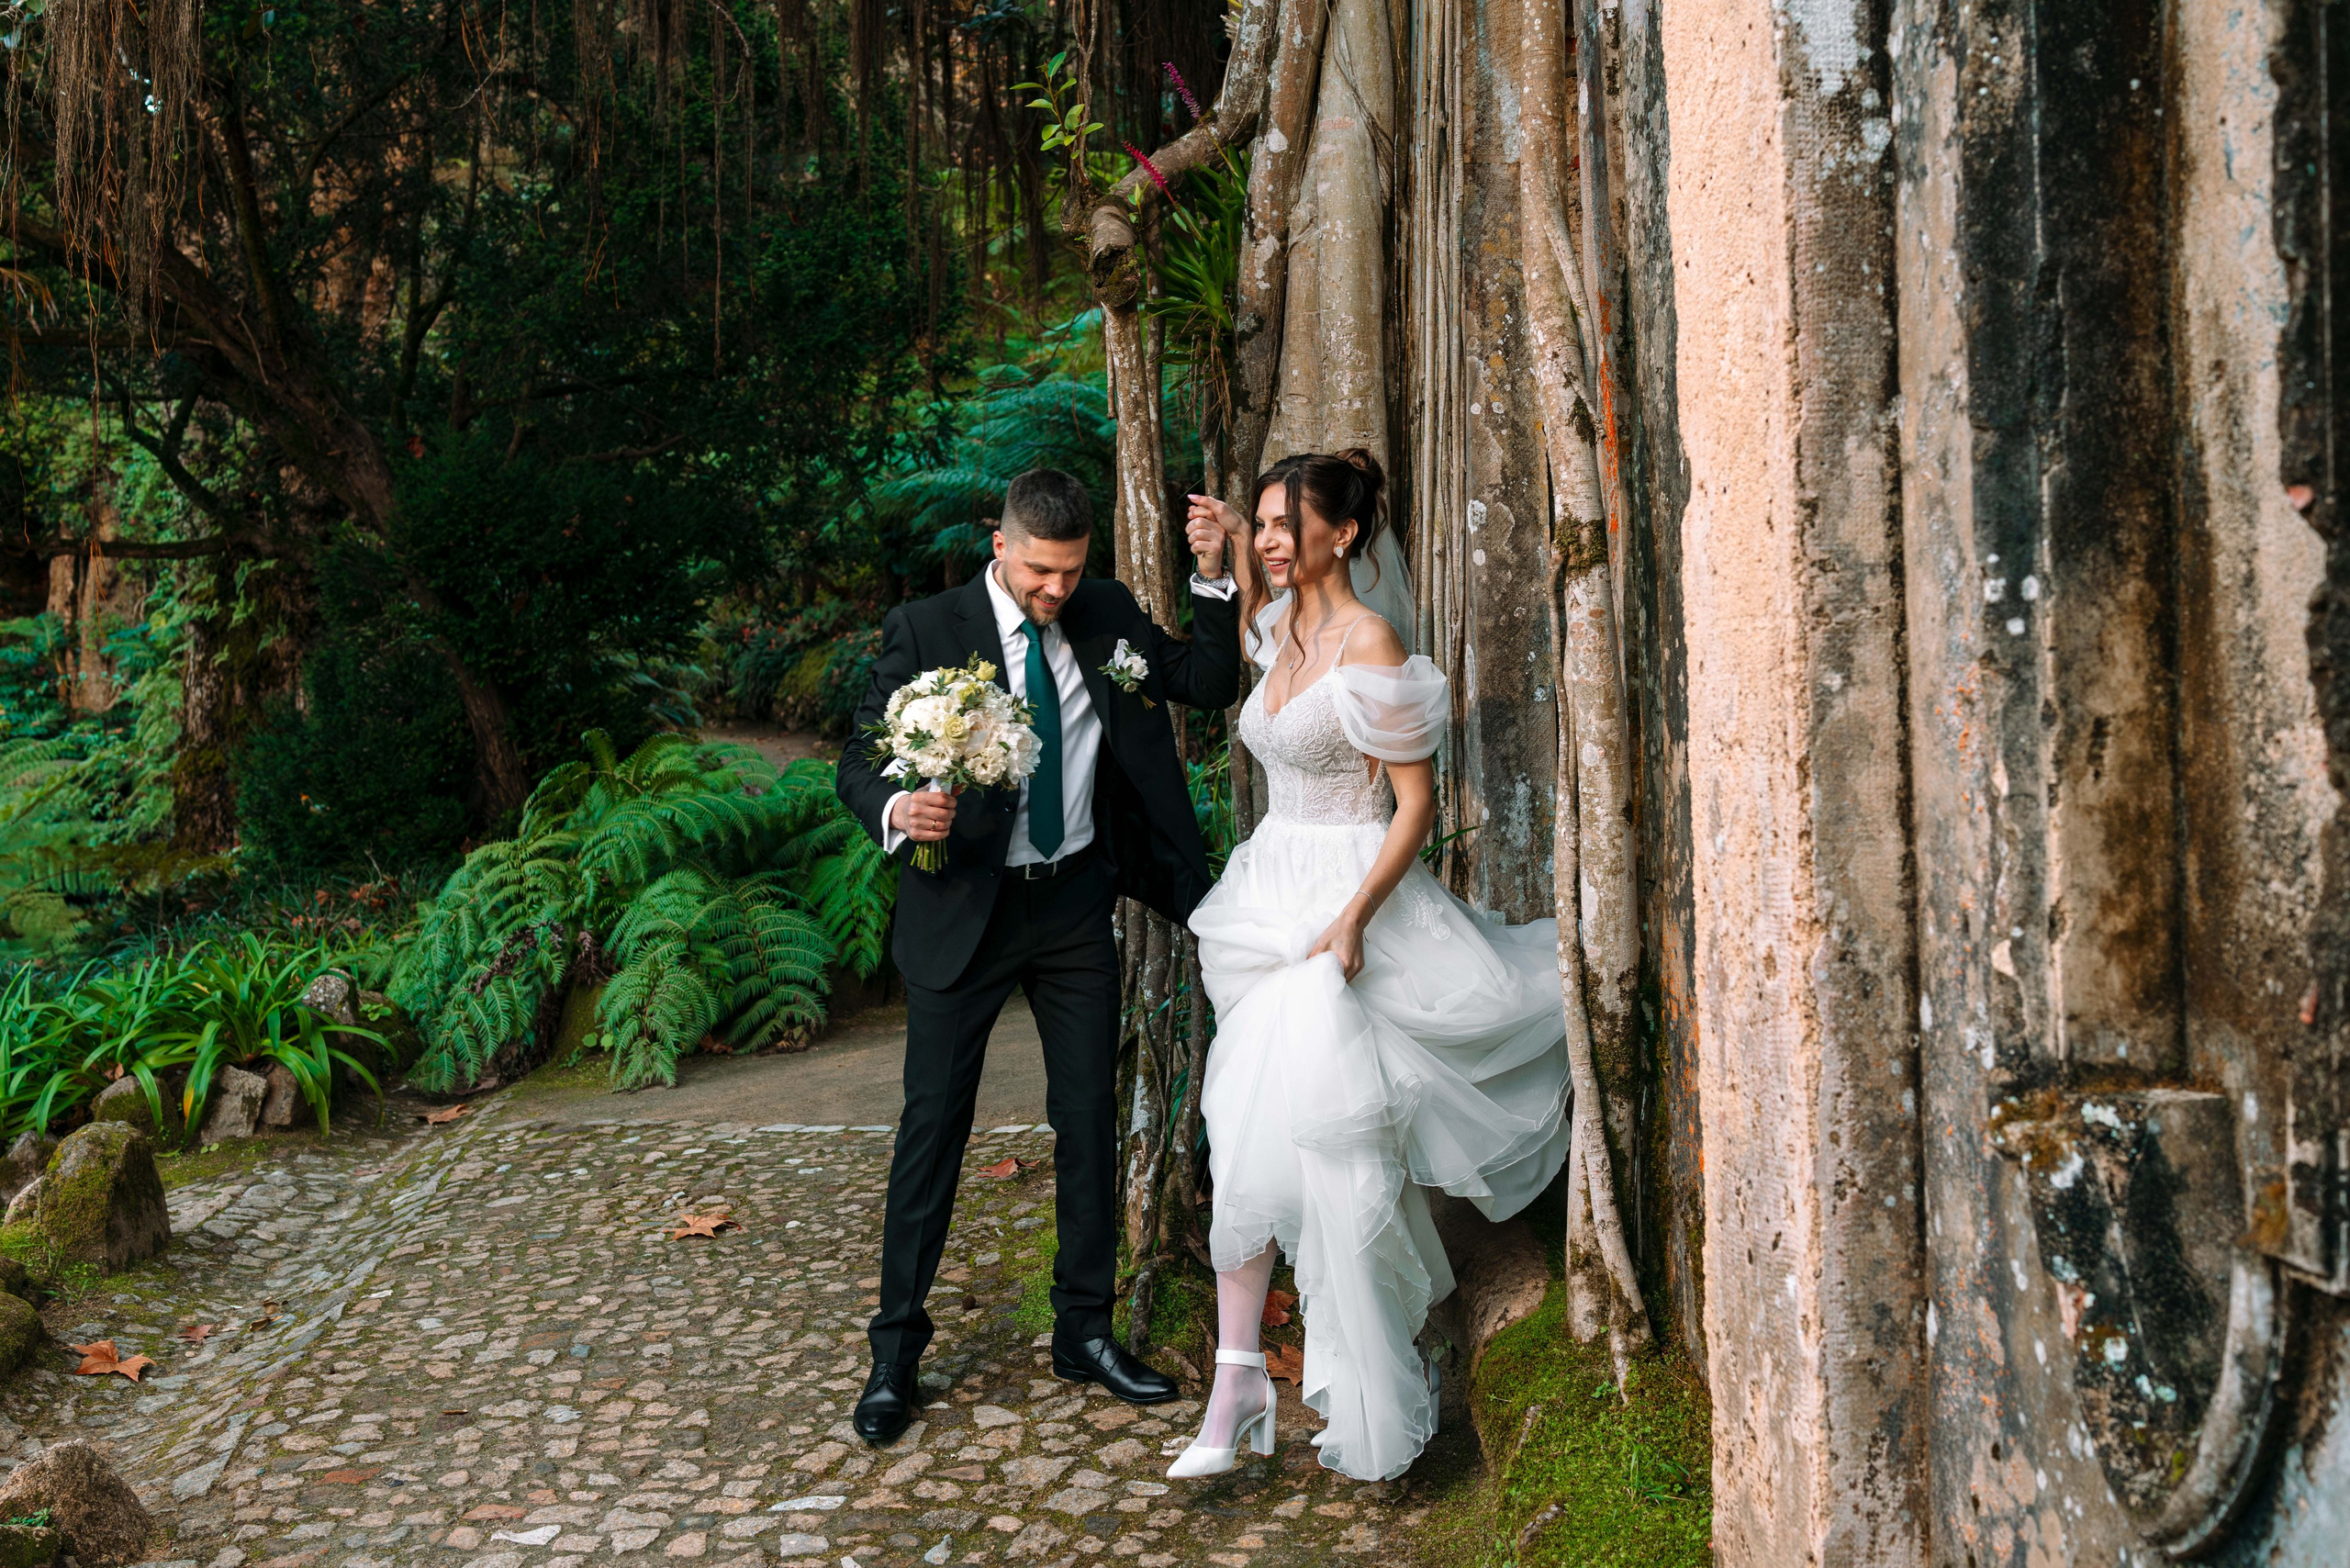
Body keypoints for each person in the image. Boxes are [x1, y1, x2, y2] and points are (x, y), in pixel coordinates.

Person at [1166, 450, 1573, 1483]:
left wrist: (1353, 918)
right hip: (1266, 898)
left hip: (1348, 901)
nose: (1266, 540)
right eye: (1258, 522)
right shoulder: (1275, 627)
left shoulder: (1369, 639)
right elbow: (1253, 627)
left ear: (1340, 535)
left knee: (1334, 1150)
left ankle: (1359, 1381)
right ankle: (1239, 1372)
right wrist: (1219, 555)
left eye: (1282, 523)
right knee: (1252, 1138)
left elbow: (1416, 804)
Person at [834, 468, 1244, 1445]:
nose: (1054, 591)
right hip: (960, 912)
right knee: (932, 1128)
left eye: (1068, 571)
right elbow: (857, 757)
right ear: (1001, 545)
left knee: (1088, 1119)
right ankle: (895, 1352)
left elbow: (1207, 684)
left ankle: (1084, 1330)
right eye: (1037, 571)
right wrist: (898, 809)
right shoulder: (926, 629)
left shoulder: (1103, 613)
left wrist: (1213, 574)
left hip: (1070, 906)